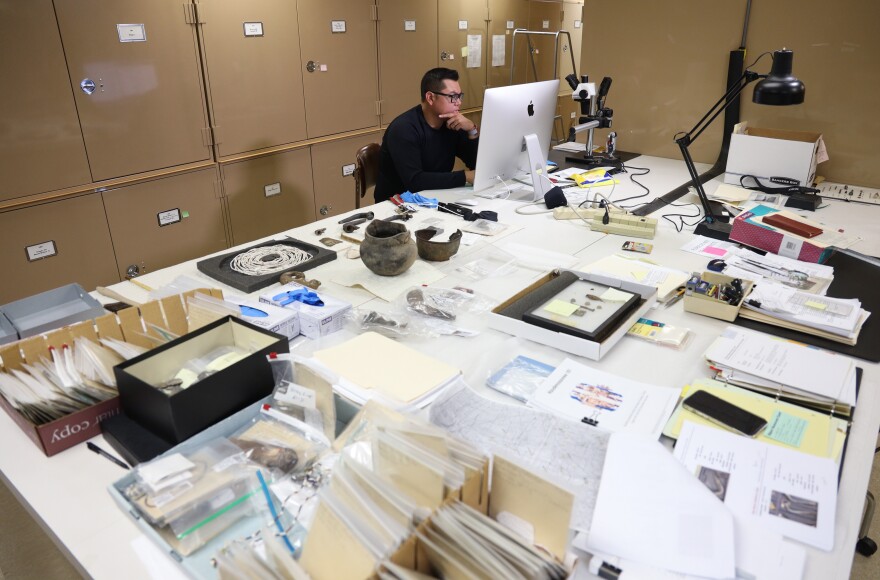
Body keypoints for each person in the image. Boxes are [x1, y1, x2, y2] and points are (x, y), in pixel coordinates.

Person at [374, 68, 479, 203]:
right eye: (452, 96)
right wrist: (465, 176)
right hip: (398, 204)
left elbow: (475, 165)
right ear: (430, 97)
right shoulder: (404, 128)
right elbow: (415, 181)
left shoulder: (452, 123)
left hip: (435, 195)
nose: (458, 102)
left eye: (460, 96)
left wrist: (471, 130)